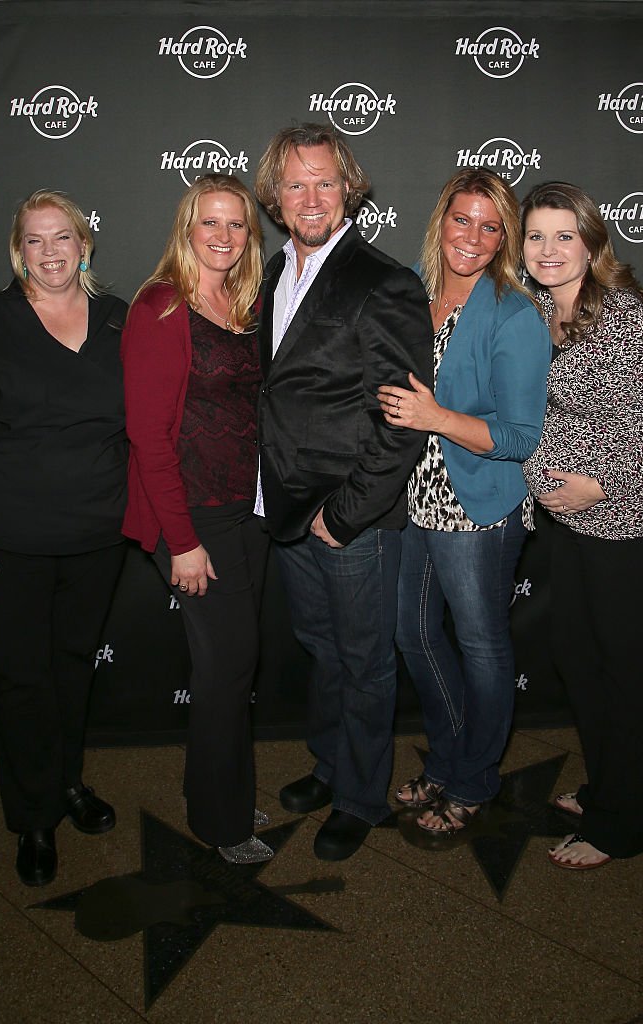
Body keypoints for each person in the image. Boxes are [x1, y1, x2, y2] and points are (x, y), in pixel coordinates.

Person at [0, 190, 128, 887]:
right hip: (7, 540)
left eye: (61, 237)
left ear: (83, 243)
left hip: (98, 533)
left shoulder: (116, 320)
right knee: (18, 680)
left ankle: (67, 782)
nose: (49, 253)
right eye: (35, 241)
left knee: (72, 666)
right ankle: (32, 816)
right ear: (19, 250)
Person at [254, 123, 433, 861]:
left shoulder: (382, 281)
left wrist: (347, 514)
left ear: (348, 187)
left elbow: (401, 421)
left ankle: (360, 796)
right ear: (273, 195)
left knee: (363, 660)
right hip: (287, 504)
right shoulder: (272, 271)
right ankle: (331, 766)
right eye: (294, 183)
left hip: (346, 514)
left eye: (324, 181)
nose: (310, 196)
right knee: (322, 649)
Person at [519, 181, 643, 869]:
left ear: (591, 243)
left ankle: (624, 827)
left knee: (626, 675)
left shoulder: (618, 315)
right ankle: (608, 786)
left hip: (639, 525)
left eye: (564, 234)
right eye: (536, 235)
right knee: (578, 659)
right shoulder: (537, 311)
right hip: (574, 527)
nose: (549, 249)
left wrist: (599, 482)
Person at [377, 169, 550, 834]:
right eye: (461, 219)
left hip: (475, 505)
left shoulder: (513, 313)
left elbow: (518, 437)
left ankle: (474, 779)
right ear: (439, 221)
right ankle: (449, 757)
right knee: (412, 635)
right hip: (410, 499)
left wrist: (435, 416)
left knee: (480, 644)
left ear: (503, 235)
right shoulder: (413, 293)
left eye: (488, 224)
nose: (471, 236)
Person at [121, 174, 271, 864]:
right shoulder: (160, 305)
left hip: (246, 511)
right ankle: (220, 821)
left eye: (235, 225)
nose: (222, 236)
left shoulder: (245, 300)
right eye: (209, 223)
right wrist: (181, 542)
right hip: (191, 517)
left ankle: (219, 787)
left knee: (231, 668)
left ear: (249, 236)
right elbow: (149, 440)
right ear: (187, 229)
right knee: (225, 669)